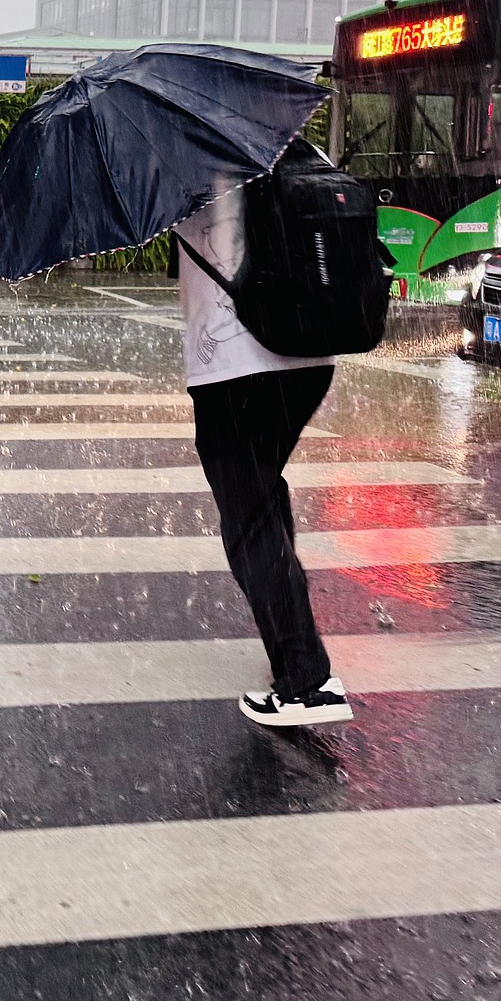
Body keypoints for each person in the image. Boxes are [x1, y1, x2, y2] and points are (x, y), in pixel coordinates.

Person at [175, 183, 350, 728]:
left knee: (248, 520)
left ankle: (306, 679)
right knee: (261, 494)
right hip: (307, 356)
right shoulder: (278, 145)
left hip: (234, 368)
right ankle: (292, 643)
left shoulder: (184, 164)